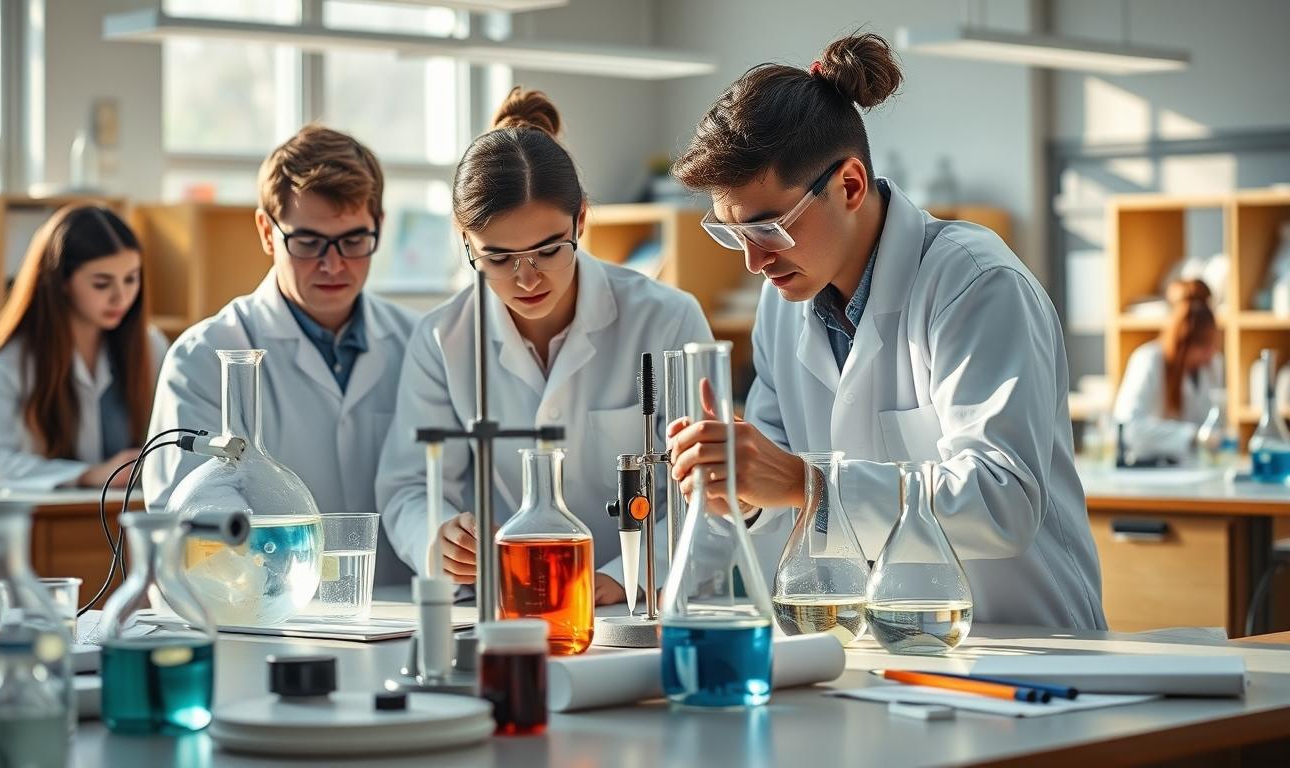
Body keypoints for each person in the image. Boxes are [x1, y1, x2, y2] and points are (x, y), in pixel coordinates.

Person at [664, 33, 1105, 629]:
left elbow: (1001, 499)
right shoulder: (781, 304)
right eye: (733, 233)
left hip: (1023, 645)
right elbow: (780, 491)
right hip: (875, 650)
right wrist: (742, 490)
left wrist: (805, 482)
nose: (754, 261)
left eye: (768, 228)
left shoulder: (974, 283)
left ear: (848, 184)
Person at [377, 88, 713, 605]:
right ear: (465, 241)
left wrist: (627, 576)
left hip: (638, 603)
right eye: (498, 257)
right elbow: (408, 486)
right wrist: (437, 535)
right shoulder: (444, 338)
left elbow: (709, 491)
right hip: (504, 604)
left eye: (548, 249)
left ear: (580, 220)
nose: (526, 277)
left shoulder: (667, 319)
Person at [144, 125, 419, 585]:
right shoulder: (203, 357)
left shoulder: (418, 343)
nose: (333, 265)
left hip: (398, 616)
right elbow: (192, 518)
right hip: (264, 620)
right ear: (267, 232)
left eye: (353, 241)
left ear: (379, 227)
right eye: (308, 243)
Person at [0, 204, 167, 490]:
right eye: (101, 283)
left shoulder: (151, 346)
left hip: (127, 517)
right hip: (48, 524)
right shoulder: (11, 359)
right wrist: (88, 475)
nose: (121, 296)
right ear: (62, 283)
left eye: (131, 279)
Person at [1113, 279, 1223, 463]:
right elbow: (1129, 429)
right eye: (1203, 347)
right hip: (1152, 470)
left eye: (1212, 345)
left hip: (1195, 470)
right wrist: (1192, 437)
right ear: (1183, 343)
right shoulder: (1148, 360)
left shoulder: (1213, 365)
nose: (1210, 354)